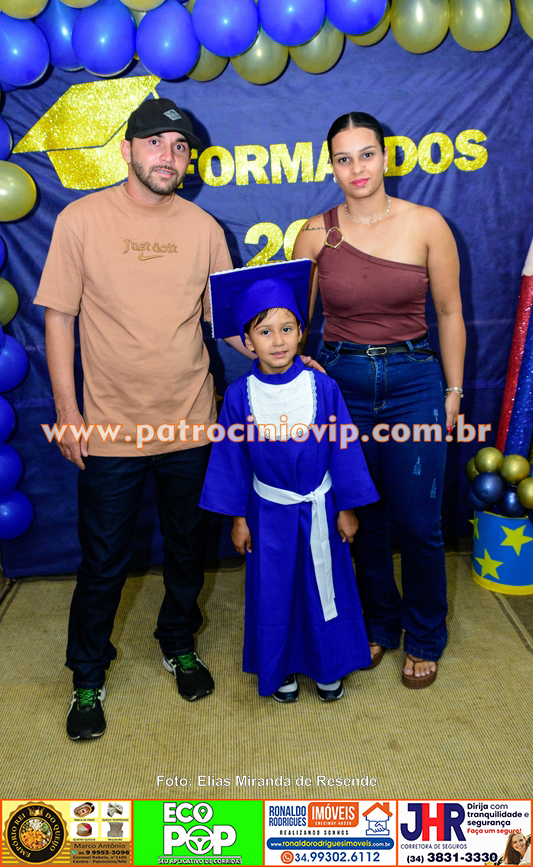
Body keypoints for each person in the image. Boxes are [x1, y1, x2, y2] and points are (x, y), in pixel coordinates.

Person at [34, 98, 234, 739]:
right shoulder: (80, 220)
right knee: (103, 562)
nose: (168, 157)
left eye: (180, 147)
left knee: (187, 550)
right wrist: (68, 412)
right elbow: (59, 318)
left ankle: (178, 642)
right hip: (111, 426)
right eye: (155, 143)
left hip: (191, 421)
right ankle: (87, 675)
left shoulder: (204, 228)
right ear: (126, 149)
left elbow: (225, 324)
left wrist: (282, 349)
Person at [292, 111, 466, 688]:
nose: (357, 168)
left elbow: (450, 314)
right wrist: (298, 365)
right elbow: (292, 322)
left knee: (418, 523)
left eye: (366, 154)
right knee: (362, 518)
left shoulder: (427, 224)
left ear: (385, 157)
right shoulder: (314, 233)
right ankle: (379, 623)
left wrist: (453, 391)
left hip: (415, 381)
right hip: (343, 384)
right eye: (344, 159)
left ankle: (425, 634)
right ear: (332, 167)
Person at [199, 262, 379, 702]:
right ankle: (278, 667)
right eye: (264, 332)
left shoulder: (323, 388)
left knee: (324, 587)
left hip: (321, 507)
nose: (277, 341)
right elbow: (231, 461)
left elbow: (343, 449)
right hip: (268, 512)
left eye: (286, 329)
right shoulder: (239, 396)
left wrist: (347, 508)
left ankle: (329, 664)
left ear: (301, 333)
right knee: (275, 592)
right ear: (247, 341)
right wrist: (238, 519)